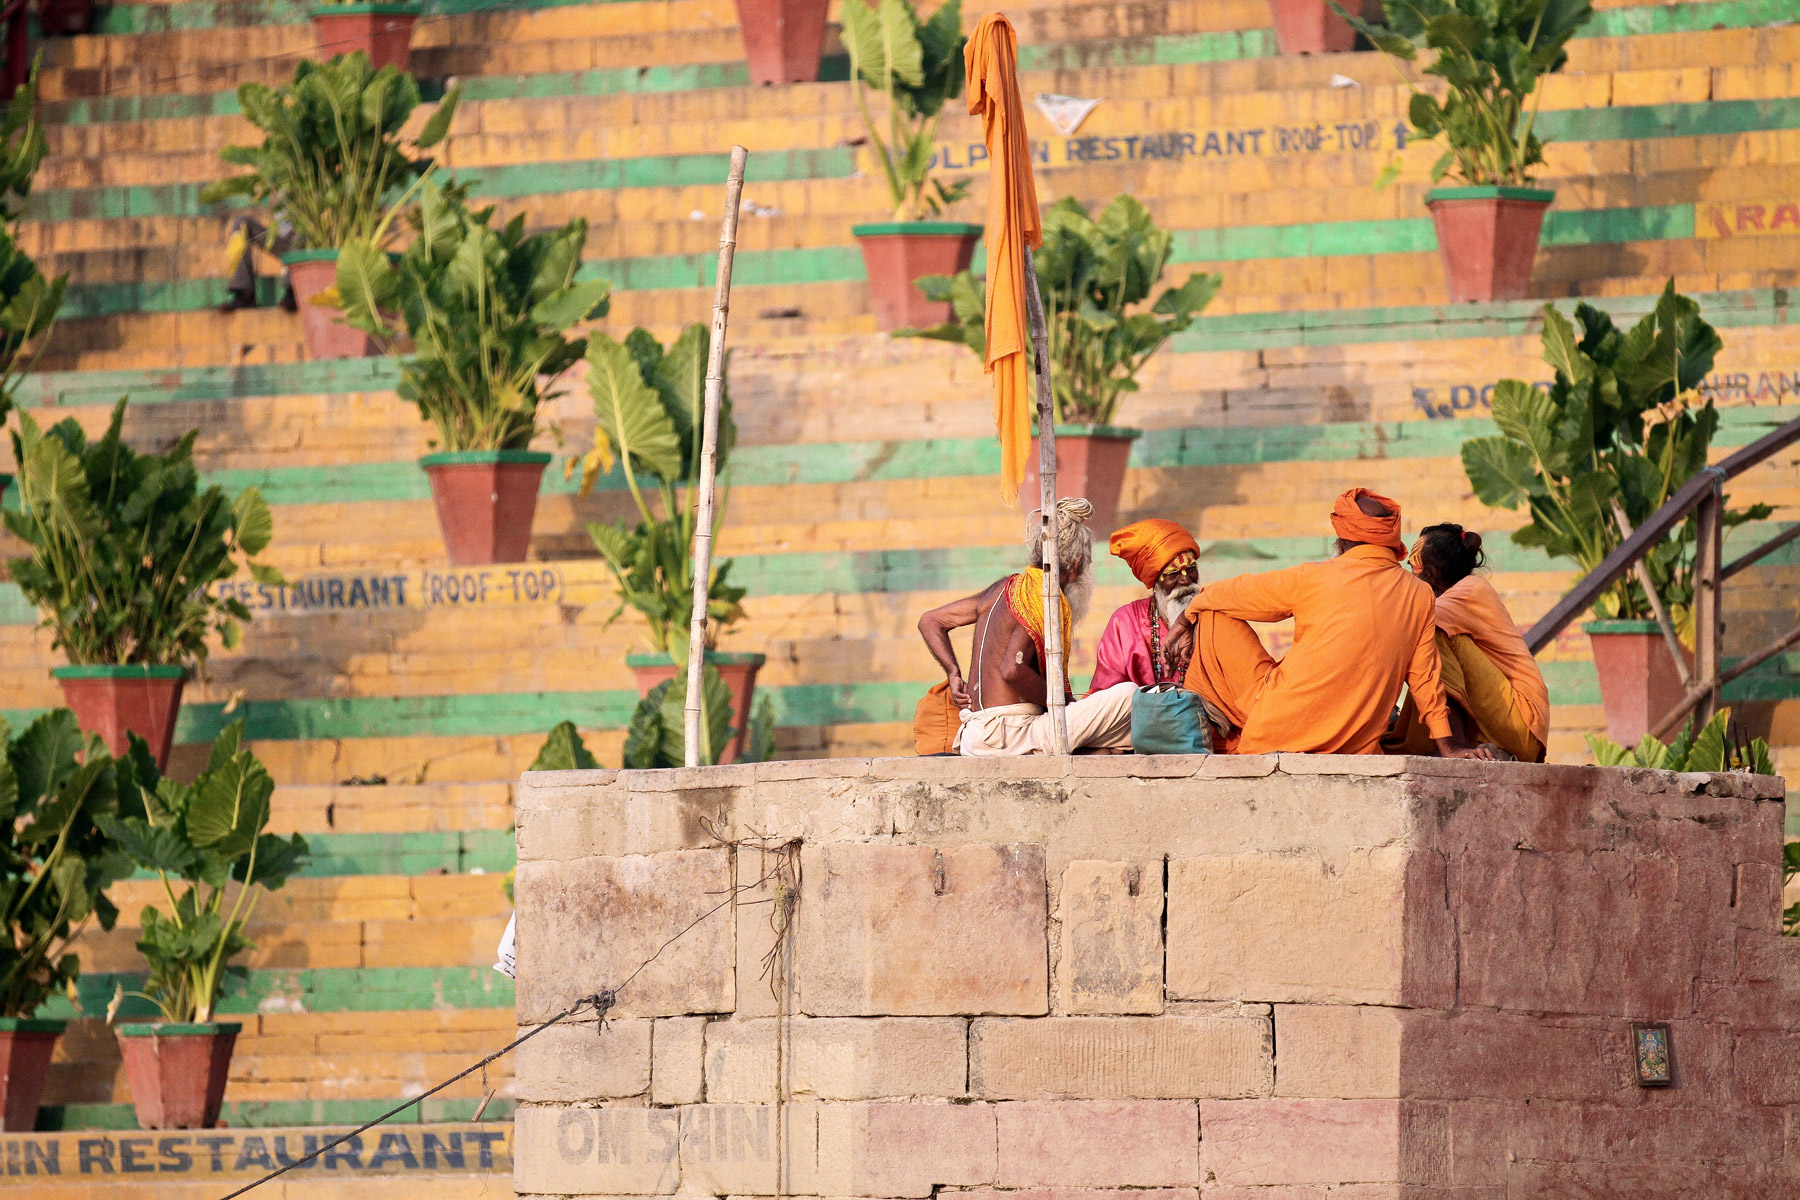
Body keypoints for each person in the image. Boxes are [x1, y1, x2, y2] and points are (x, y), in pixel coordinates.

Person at [1164, 487, 1493, 760]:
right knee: (1207, 604)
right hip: (1355, 742)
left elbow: (1236, 592)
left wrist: (1185, 619)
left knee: (1210, 610)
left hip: (1277, 726)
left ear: (1342, 536)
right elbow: (1425, 679)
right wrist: (1449, 746)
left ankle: (1220, 735)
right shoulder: (1420, 594)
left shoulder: (1314, 576)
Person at [917, 497, 1136, 755]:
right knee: (1130, 696)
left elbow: (931, 620)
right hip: (1008, 735)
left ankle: (1088, 750)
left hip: (973, 736)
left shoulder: (1002, 588)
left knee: (1114, 728)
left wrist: (953, 673)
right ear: (1076, 565)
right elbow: (1012, 670)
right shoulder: (1042, 594)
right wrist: (1063, 703)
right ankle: (1085, 749)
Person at [1388, 524, 1549, 763]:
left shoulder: (1472, 589)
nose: (1410, 575)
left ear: (1431, 574)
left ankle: (1453, 745)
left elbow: (1405, 623)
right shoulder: (1458, 595)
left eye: (1413, 568)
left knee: (1432, 634)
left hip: (1522, 725)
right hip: (1501, 728)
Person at [1090, 518, 1202, 691]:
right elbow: (1106, 694)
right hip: (1141, 715)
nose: (1186, 579)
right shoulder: (1126, 621)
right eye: (1173, 573)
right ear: (1155, 583)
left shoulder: (1213, 612)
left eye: (1191, 568)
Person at [221, 215, 298, 313]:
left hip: (308, 241)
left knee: (301, 229)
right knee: (242, 223)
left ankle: (294, 291)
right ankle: (244, 294)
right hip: (282, 241)